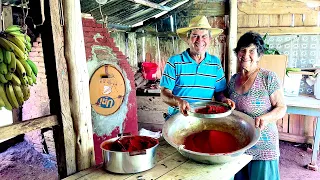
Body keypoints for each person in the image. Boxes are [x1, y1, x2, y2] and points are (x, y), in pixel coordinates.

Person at [228, 31, 287, 180]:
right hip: (239, 146)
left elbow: (281, 107)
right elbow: (225, 101)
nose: (246, 54)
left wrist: (266, 118)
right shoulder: (234, 79)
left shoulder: (268, 77)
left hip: (263, 146)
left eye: (252, 51)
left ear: (259, 55)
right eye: (242, 50)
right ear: (237, 53)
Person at [160, 15, 235, 119]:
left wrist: (224, 100)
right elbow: (164, 93)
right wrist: (178, 102)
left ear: (209, 39)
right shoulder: (174, 62)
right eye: (195, 35)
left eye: (204, 36)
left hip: (204, 118)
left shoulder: (215, 63)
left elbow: (219, 93)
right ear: (188, 39)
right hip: (178, 117)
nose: (200, 40)